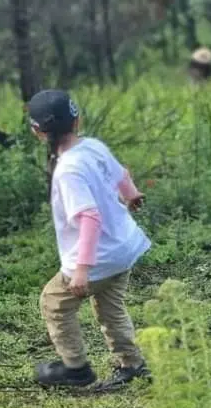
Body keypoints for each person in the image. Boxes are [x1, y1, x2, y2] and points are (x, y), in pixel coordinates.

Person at [27, 90, 151, 390]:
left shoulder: (67, 170)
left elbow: (89, 218)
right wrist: (131, 193)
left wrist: (82, 269)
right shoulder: (93, 147)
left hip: (98, 257)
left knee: (54, 302)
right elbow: (121, 172)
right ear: (77, 121)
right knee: (111, 308)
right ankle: (132, 364)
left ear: (38, 132)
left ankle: (75, 368)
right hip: (124, 249)